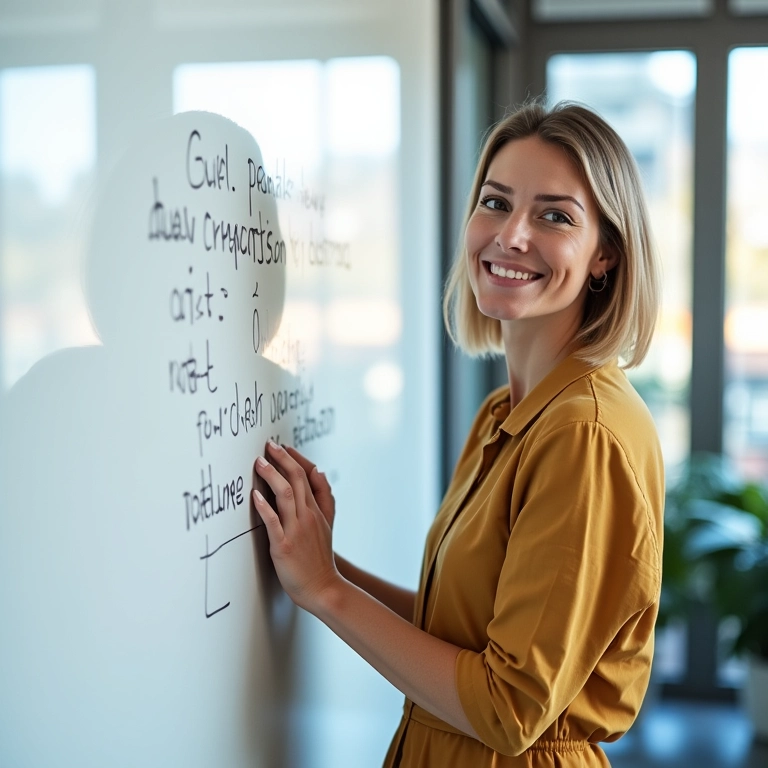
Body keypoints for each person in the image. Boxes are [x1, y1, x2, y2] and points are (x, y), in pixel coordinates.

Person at [251, 100, 665, 767]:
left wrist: (326, 593)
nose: (512, 235)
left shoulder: (583, 436)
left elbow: (509, 707)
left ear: (605, 257)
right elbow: (463, 630)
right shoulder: (505, 414)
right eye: (496, 203)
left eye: (554, 215)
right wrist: (322, 567)